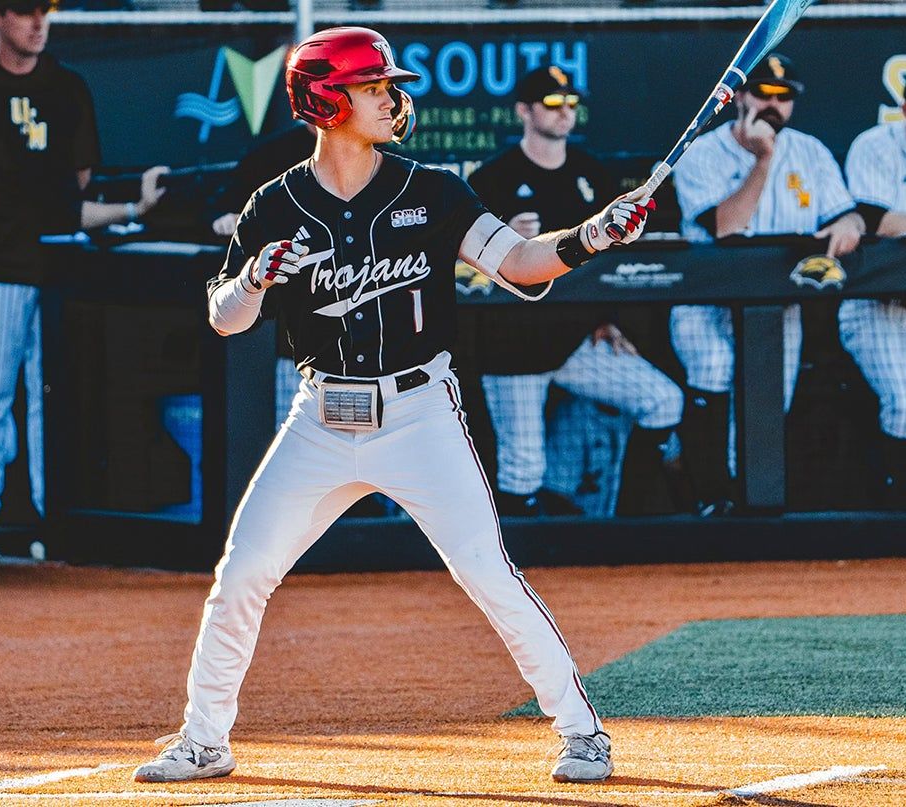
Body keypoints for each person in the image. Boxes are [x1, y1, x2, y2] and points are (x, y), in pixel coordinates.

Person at [132, 26, 655, 786]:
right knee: (243, 571)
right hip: (319, 416)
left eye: (387, 84)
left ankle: (582, 731)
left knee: (486, 568)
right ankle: (206, 738)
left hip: (419, 413)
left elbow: (517, 264)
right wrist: (253, 280)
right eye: (373, 86)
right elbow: (223, 316)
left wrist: (592, 235)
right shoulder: (275, 204)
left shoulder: (433, 189)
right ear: (326, 98)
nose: (391, 96)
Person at [0, 0, 167, 570]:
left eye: (45, 11)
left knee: (57, 401)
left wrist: (129, 207)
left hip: (60, 268)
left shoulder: (68, 88)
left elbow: (74, 191)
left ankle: (54, 525)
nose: (38, 23)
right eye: (25, 11)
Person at [466, 66, 683, 517]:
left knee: (663, 400)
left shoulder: (591, 172)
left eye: (570, 103)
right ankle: (517, 565)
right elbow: (461, 267)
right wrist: (503, 236)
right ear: (523, 111)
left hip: (576, 337)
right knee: (523, 468)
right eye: (551, 103)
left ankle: (635, 519)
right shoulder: (492, 178)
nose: (564, 111)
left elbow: (611, 256)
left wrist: (608, 320)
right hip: (513, 344)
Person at [670, 53, 864, 515]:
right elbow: (726, 228)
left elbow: (846, 212)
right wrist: (764, 161)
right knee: (714, 367)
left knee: (770, 399)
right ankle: (710, 496)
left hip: (779, 304)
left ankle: (748, 504)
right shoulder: (700, 151)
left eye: (784, 96)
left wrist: (851, 224)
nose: (774, 104)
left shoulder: (811, 151)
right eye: (764, 93)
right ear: (739, 96)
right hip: (706, 298)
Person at [839, 65, 906, 506]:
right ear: (905, 109)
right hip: (875, 305)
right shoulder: (874, 146)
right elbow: (875, 221)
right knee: (904, 401)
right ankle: (896, 512)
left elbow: (904, 224)